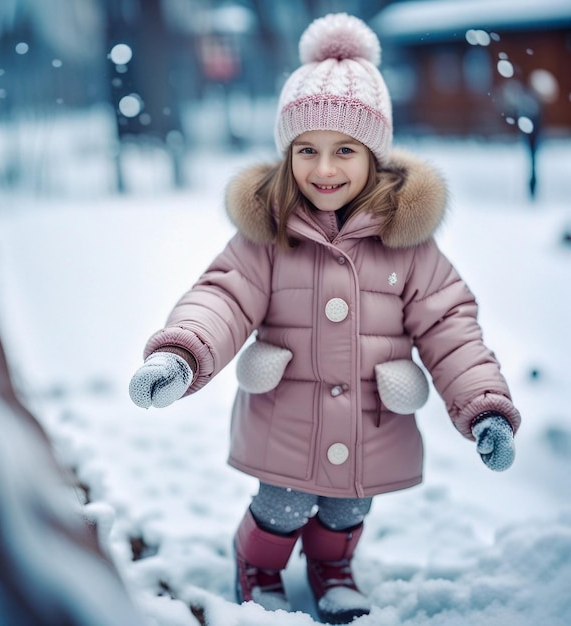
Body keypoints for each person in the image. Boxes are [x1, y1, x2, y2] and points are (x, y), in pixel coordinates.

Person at [129, 13, 521, 625]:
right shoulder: (267, 236)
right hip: (287, 412)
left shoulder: (407, 243)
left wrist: (485, 406)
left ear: (376, 158)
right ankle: (257, 565)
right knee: (283, 501)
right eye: (306, 150)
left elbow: (450, 326)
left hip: (371, 416)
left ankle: (332, 568)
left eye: (345, 150)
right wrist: (180, 355)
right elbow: (223, 297)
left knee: (349, 506)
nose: (324, 168)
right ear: (288, 157)